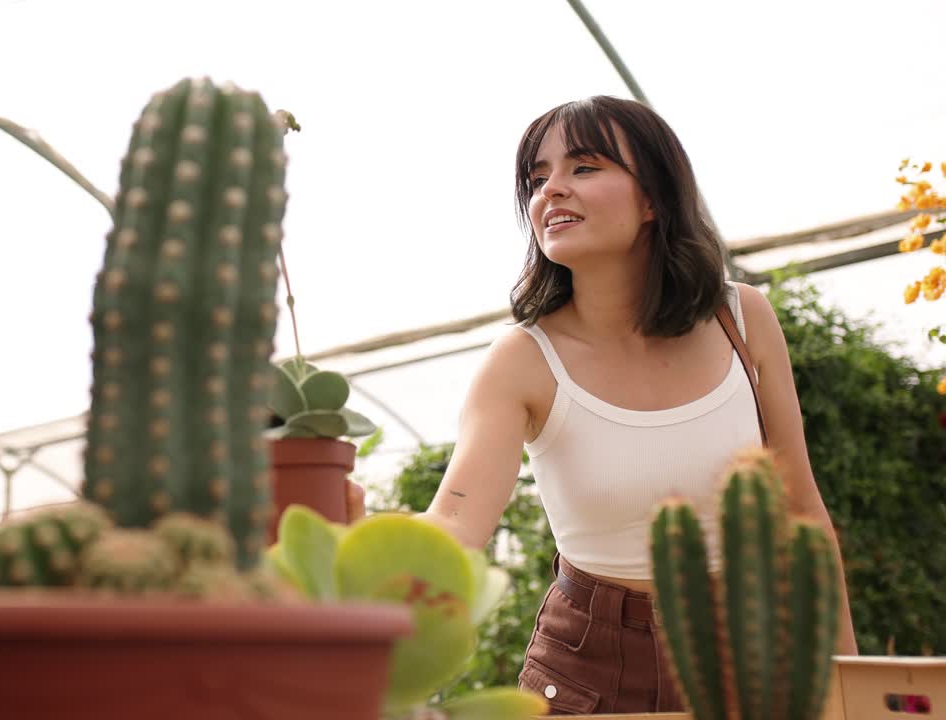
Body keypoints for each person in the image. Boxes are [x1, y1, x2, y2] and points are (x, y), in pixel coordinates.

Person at [348, 95, 858, 715]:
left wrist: (849, 682)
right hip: (592, 663)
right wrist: (353, 552)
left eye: (584, 168)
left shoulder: (742, 317)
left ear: (654, 199)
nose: (551, 191)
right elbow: (456, 522)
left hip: (756, 649)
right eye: (537, 180)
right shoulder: (521, 359)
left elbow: (801, 507)